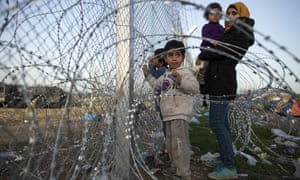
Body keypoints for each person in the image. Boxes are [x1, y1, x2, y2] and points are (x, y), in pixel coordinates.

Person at [197, 2, 255, 179]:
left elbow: (221, 51)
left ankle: (229, 166)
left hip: (222, 82)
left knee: (216, 123)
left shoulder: (240, 33)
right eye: (228, 12)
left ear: (242, 15)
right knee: (223, 123)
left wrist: (203, 53)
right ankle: (225, 158)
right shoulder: (230, 31)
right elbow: (217, 49)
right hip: (219, 80)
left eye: (234, 12)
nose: (230, 15)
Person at [143, 40, 199, 180]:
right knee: (170, 144)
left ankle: (184, 173)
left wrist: (181, 81)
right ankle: (175, 166)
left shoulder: (185, 72)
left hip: (179, 114)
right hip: (167, 114)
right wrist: (148, 76)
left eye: (177, 55)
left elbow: (194, 88)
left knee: (180, 144)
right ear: (165, 58)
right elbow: (157, 85)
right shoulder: (166, 74)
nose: (174, 58)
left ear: (183, 57)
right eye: (170, 55)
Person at [196, 2, 224, 108]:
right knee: (205, 68)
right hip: (207, 50)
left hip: (217, 52)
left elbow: (224, 40)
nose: (215, 15)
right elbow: (205, 37)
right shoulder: (206, 27)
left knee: (215, 72)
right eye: (212, 13)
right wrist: (213, 41)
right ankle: (202, 80)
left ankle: (210, 91)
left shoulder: (222, 29)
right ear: (207, 15)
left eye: (217, 13)